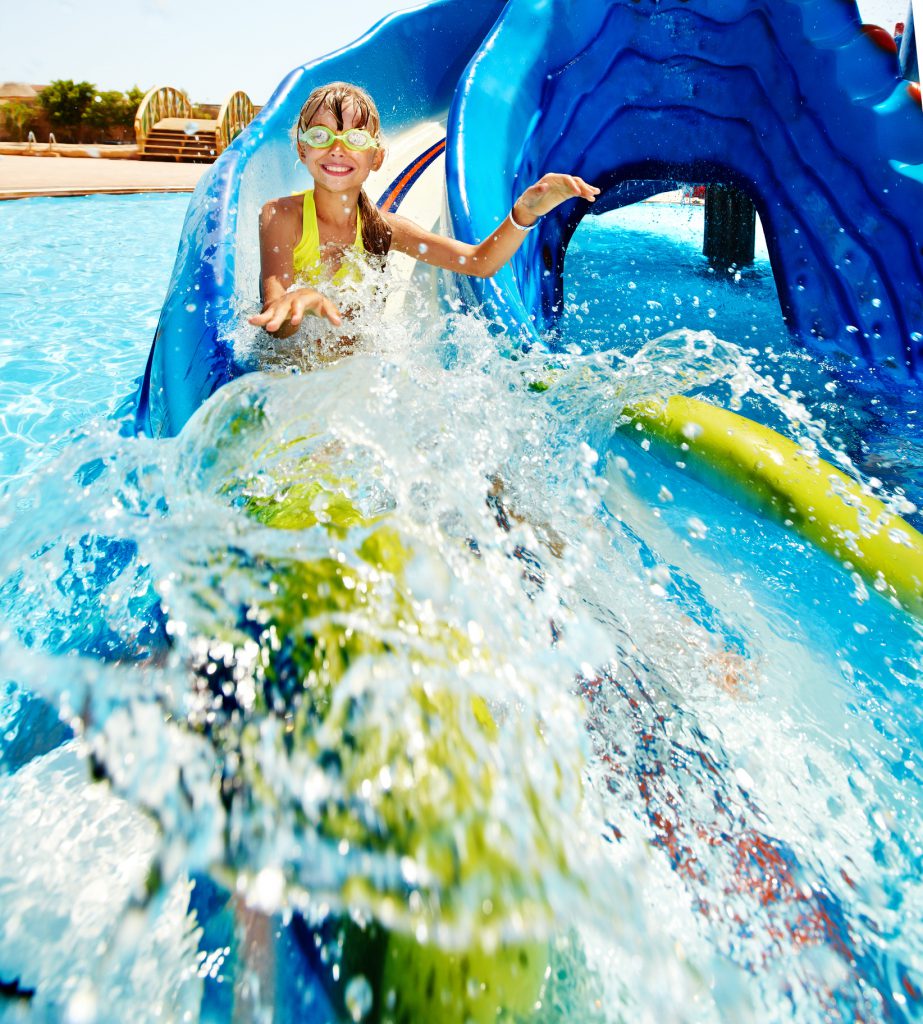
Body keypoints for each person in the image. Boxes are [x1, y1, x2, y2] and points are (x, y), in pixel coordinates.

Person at [248, 81, 599, 338]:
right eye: (321, 136)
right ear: (302, 150)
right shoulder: (281, 217)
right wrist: (301, 301)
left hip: (355, 375)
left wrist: (525, 211)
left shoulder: (386, 229)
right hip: (293, 374)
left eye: (355, 139)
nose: (337, 149)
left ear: (376, 157)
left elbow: (480, 262)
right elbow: (275, 323)